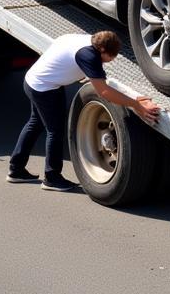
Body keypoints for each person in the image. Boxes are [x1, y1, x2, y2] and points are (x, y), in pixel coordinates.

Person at [8, 30, 161, 191]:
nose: (110, 61)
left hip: (35, 80)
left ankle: (15, 169)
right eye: (111, 57)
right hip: (44, 89)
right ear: (102, 50)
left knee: (35, 123)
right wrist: (136, 105)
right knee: (55, 131)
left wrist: (133, 99)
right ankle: (51, 178)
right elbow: (104, 92)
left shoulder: (84, 39)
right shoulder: (88, 56)